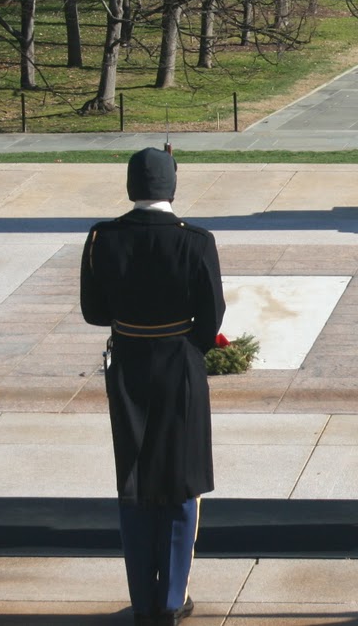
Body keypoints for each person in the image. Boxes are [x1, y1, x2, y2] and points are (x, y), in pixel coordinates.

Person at [81, 147, 225, 626]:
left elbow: (95, 312)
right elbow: (211, 317)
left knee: (135, 482)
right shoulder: (196, 241)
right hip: (179, 366)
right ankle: (170, 600)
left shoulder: (104, 237)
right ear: (172, 187)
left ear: (131, 187)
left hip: (127, 367)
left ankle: (144, 600)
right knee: (182, 481)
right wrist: (186, 349)